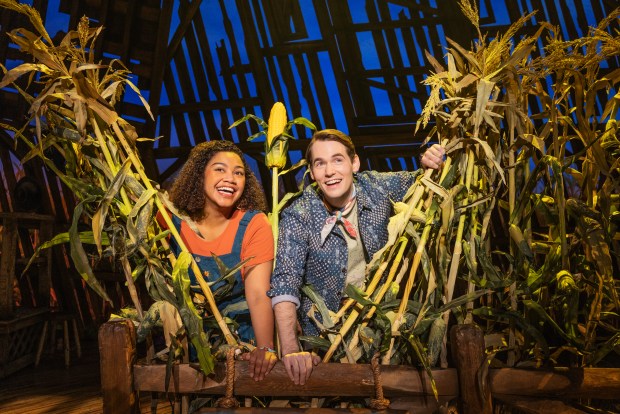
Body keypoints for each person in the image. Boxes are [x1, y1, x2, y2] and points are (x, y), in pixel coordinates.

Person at [267, 129, 445, 385]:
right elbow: (285, 283)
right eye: (320, 163)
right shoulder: (300, 214)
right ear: (312, 172)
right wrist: (292, 350)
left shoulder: (377, 187)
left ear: (354, 163)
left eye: (338, 160)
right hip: (324, 341)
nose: (329, 171)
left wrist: (432, 159)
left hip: (382, 334)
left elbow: (423, 180)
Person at [168, 140, 277, 381]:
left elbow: (258, 292)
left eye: (238, 173)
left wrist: (265, 348)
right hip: (190, 347)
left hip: (242, 345)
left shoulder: (254, 224)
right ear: (199, 176)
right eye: (220, 169)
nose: (230, 178)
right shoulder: (171, 223)